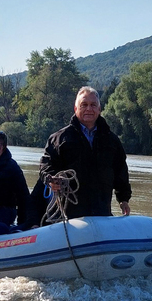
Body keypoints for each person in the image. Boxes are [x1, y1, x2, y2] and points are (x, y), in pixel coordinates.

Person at [39, 86, 131, 219]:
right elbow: (45, 166)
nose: (89, 109)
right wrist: (51, 180)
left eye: (93, 105)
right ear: (76, 108)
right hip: (69, 216)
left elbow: (121, 171)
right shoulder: (59, 139)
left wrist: (123, 199)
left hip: (102, 212)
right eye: (84, 105)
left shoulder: (112, 140)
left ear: (99, 109)